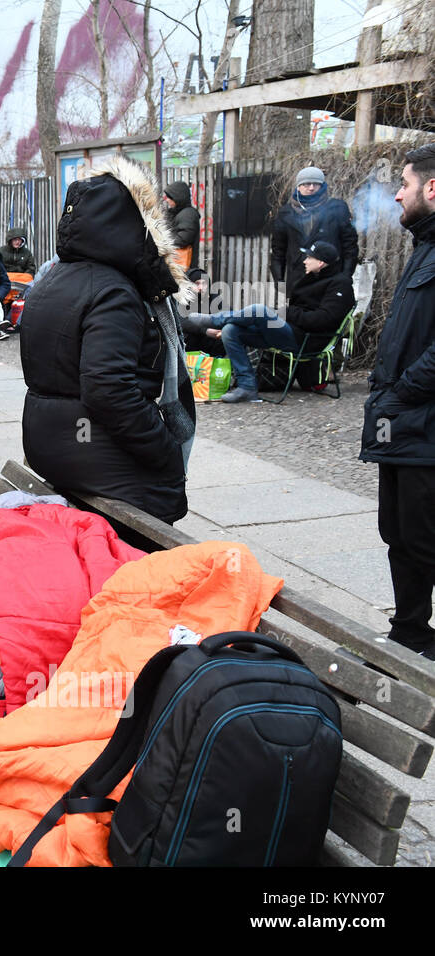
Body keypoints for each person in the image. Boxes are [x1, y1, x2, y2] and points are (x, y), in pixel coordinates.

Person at [19, 155, 196, 524]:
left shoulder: (52, 277)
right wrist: (163, 446)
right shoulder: (113, 290)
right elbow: (108, 389)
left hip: (47, 438)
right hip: (86, 443)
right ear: (130, 225)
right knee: (167, 493)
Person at [360, 143, 435, 660]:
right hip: (403, 422)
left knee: (425, 536)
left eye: (404, 185)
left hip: (423, 421)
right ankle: (410, 632)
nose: (397, 195)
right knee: (401, 533)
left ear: (432, 188)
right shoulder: (424, 247)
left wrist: (405, 389)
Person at [189, 240, 355, 404]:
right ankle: (247, 387)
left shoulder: (341, 285)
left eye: (309, 257)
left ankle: (214, 320)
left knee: (258, 310)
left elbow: (323, 320)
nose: (305, 260)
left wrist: (287, 312)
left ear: (320, 262)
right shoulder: (312, 278)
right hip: (291, 331)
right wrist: (286, 313)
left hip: (306, 340)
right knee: (230, 331)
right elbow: (298, 311)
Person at [271, 166, 358, 303]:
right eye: (306, 184)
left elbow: (350, 246)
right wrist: (279, 282)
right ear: (298, 187)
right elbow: (278, 251)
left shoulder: (337, 208)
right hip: (298, 281)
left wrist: (346, 277)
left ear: (322, 186)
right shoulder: (285, 213)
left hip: (330, 280)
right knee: (296, 320)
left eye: (316, 184)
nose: (311, 188)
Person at [163, 181, 200, 269]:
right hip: (177, 265)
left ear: (177, 198)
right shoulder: (177, 212)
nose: (166, 199)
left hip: (183, 267)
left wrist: (162, 241)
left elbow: (183, 240)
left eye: (169, 197)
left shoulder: (188, 214)